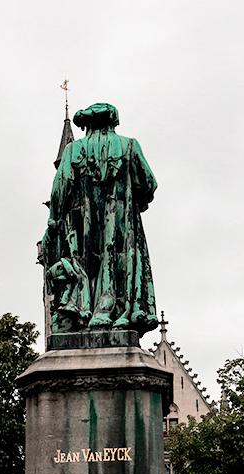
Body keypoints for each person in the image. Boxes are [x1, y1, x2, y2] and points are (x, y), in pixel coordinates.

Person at [40, 102, 159, 336]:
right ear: (112, 121)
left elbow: (60, 186)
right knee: (117, 263)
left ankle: (85, 314)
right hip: (121, 223)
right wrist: (137, 202)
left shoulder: (74, 150)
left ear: (88, 125)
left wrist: (53, 222)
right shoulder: (129, 146)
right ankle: (118, 313)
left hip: (80, 226)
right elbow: (149, 183)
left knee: (84, 268)